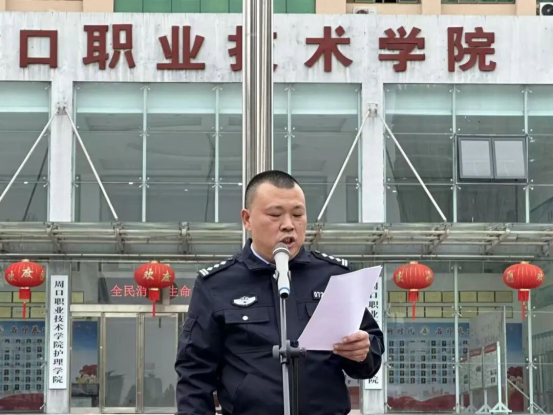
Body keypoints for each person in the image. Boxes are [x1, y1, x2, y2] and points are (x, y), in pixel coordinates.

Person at [175, 170, 384, 415]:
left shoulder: (334, 276)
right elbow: (194, 373)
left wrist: (363, 352)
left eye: (298, 214)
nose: (288, 225)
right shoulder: (216, 284)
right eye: (275, 215)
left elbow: (370, 354)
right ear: (247, 219)